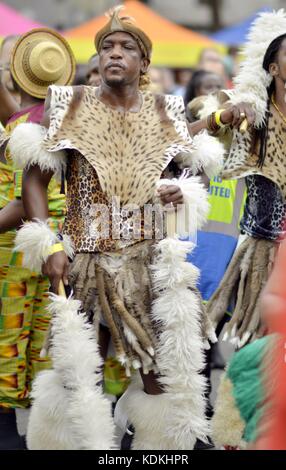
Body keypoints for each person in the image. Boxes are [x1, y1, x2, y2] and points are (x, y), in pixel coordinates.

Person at [10, 6, 251, 450]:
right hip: (85, 258)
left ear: (144, 62)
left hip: (148, 262)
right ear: (98, 58)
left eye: (127, 47)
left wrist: (183, 190)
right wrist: (46, 243)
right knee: (78, 374)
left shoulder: (166, 109)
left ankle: (156, 448)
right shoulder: (68, 102)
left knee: (158, 376)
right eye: (107, 46)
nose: (115, 53)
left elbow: (185, 164)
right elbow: (34, 176)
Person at [0, 28, 75, 450]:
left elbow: (24, 199)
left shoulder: (27, 125)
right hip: (56, 242)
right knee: (49, 335)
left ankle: (11, 427)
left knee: (14, 333)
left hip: (27, 241)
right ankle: (43, 429)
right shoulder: (40, 120)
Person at [204, 10, 286, 347]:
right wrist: (226, 114)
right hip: (263, 249)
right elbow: (195, 133)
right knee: (259, 343)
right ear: (273, 69)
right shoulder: (251, 119)